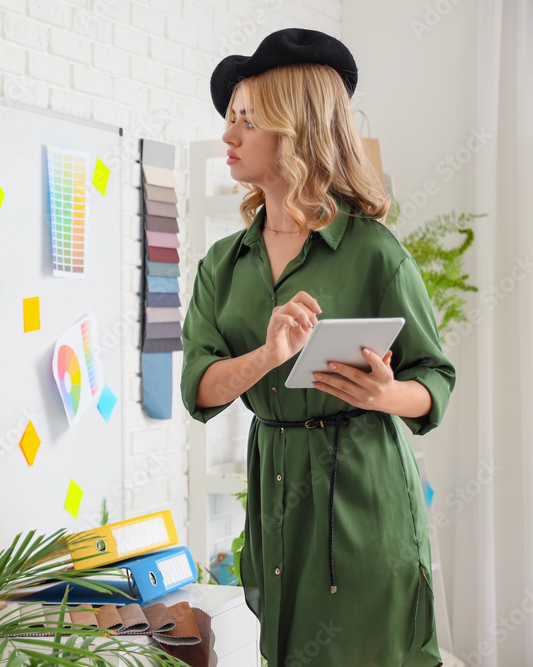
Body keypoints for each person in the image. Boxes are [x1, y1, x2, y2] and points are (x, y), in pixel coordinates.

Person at [180, 29, 455, 667]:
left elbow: (434, 380)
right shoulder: (224, 264)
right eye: (228, 120)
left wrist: (387, 393)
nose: (228, 136)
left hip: (363, 496)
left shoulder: (374, 252)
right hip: (276, 491)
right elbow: (198, 390)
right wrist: (265, 357)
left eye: (245, 120)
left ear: (294, 128)